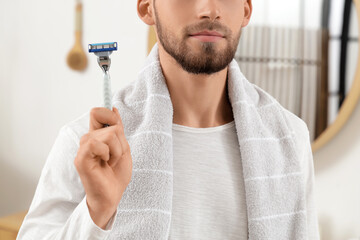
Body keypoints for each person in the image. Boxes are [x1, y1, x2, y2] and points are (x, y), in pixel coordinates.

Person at [17, 0, 320, 239]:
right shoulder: (88, 145)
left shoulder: (290, 138)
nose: (209, 9)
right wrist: (97, 211)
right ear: (146, 7)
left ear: (246, 9)